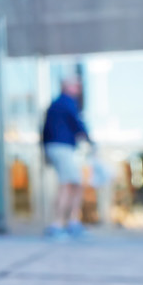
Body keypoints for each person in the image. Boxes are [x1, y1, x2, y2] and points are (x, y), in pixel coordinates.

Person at [41, 76, 93, 238]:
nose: (79, 89)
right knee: (68, 184)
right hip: (62, 147)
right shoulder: (67, 102)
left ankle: (71, 221)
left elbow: (44, 131)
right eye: (76, 86)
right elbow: (78, 123)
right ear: (67, 87)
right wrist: (90, 140)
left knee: (75, 183)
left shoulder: (55, 104)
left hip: (56, 147)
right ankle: (58, 224)